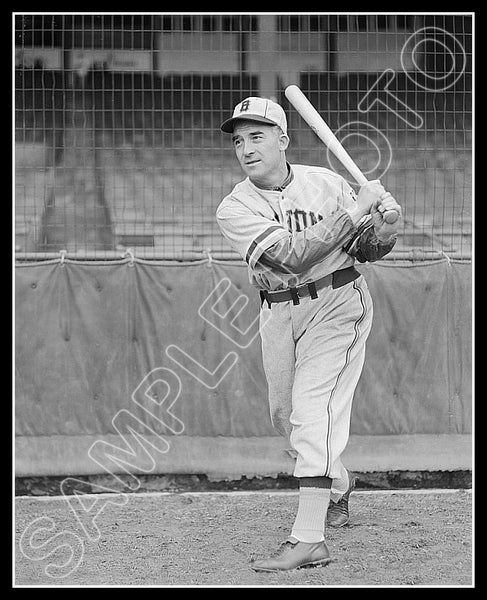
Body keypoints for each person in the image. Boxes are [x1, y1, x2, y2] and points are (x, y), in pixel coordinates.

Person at [216, 97, 402, 572]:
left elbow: (364, 249)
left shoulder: (326, 183)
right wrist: (353, 211)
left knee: (311, 410)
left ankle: (308, 539)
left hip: (338, 304)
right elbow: (289, 258)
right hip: (279, 313)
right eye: (239, 140)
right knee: (288, 419)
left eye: (257, 136)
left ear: (283, 139)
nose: (246, 148)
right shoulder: (234, 207)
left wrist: (383, 227)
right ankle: (336, 483)